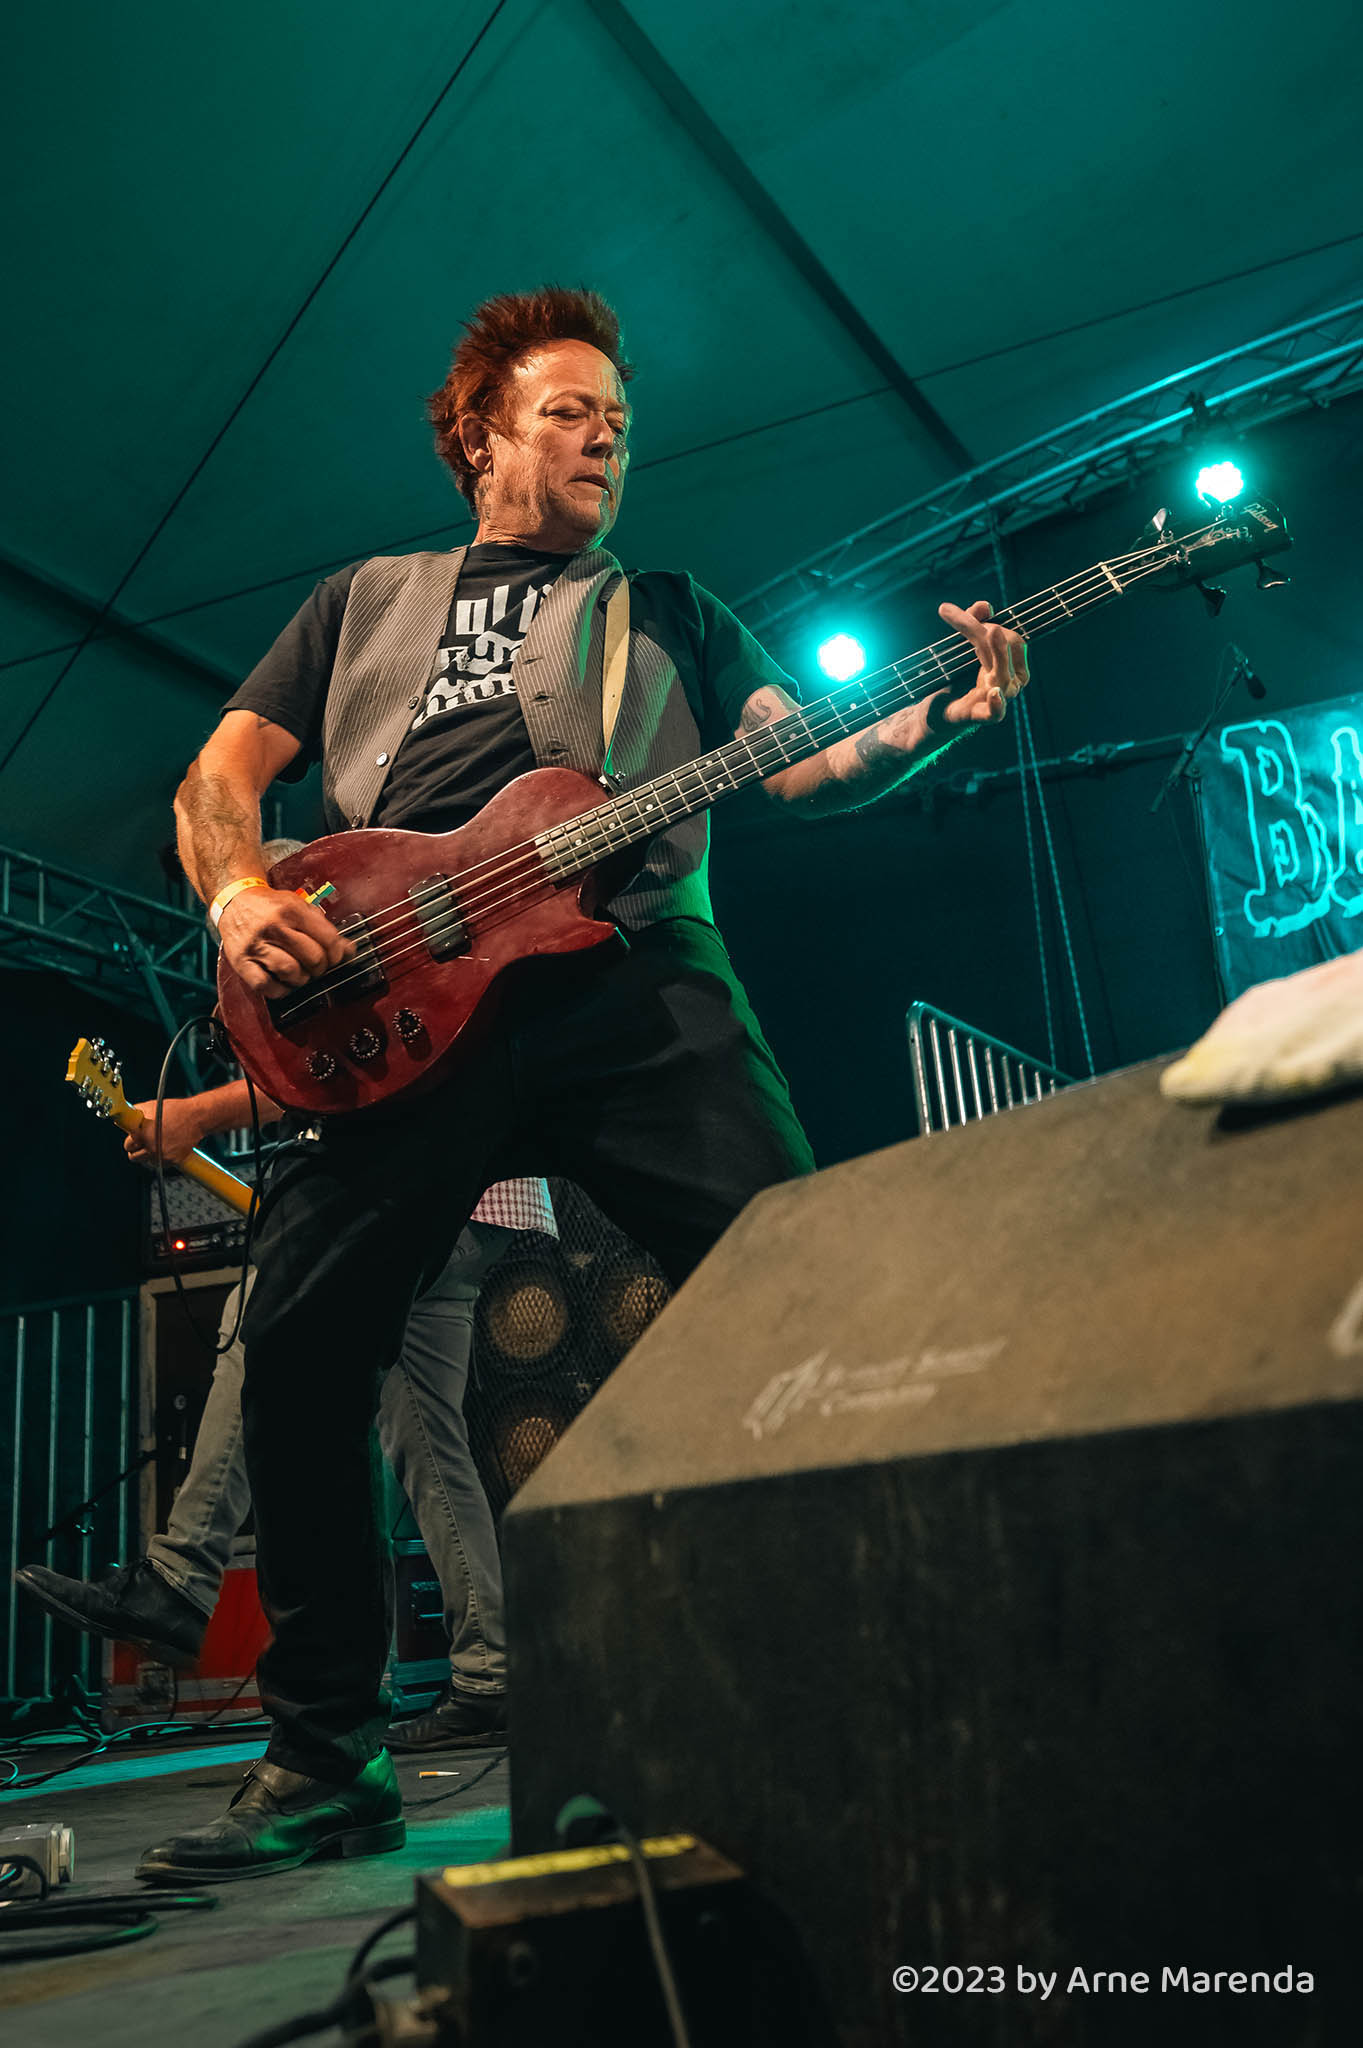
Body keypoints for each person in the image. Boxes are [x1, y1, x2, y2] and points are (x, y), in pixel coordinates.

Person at [145, 284, 1028, 1883]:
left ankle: (912, 1651)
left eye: (618, 419)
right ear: (478, 439)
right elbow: (221, 777)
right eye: (567, 411)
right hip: (400, 1004)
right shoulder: (361, 600)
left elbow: (806, 756)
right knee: (296, 1342)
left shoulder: (670, 608)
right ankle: (325, 1754)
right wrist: (240, 897)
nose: (605, 436)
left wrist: (917, 730)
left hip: (631, 981)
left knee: (801, 1276)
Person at [18, 1080, 552, 1755]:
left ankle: (179, 1577)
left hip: (428, 1180)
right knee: (431, 1447)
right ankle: (491, 1678)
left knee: (264, 1301)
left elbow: (335, 1063)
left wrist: (194, 1115)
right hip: (481, 1200)